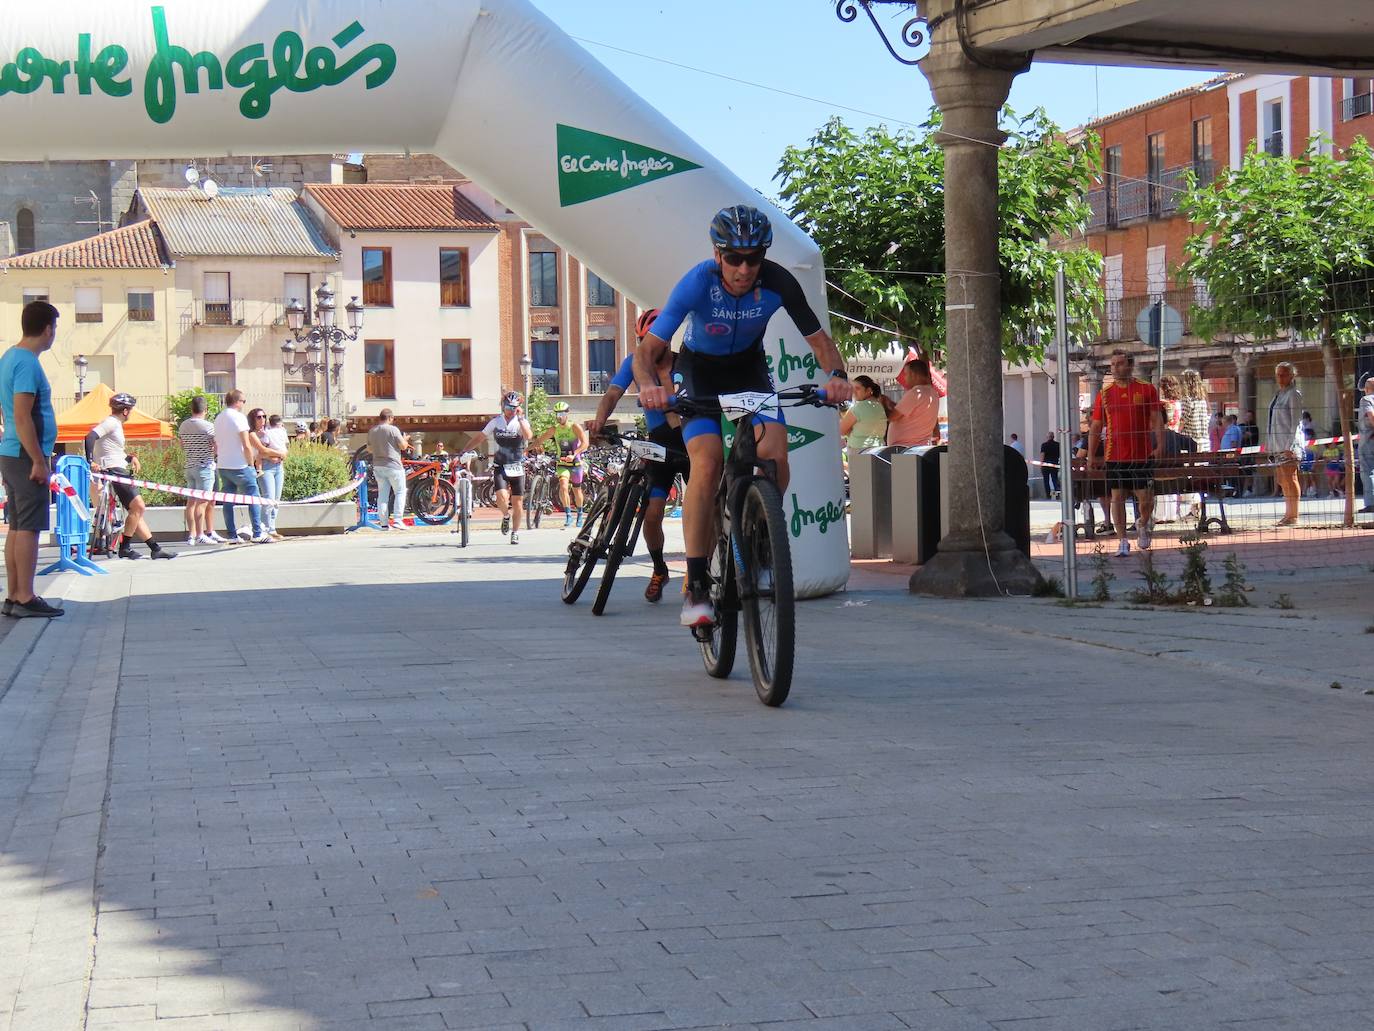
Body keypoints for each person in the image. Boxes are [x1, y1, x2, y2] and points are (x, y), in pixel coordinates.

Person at [636, 204, 850, 628]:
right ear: (718, 255)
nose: (744, 268)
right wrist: (647, 386)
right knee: (707, 460)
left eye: (754, 258)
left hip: (749, 370)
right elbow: (646, 354)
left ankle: (762, 534)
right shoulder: (697, 283)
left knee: (776, 452)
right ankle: (696, 585)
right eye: (734, 257)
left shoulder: (778, 282)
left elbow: (821, 342)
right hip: (699, 373)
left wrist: (838, 376)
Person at [590, 307, 688, 603]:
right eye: (643, 340)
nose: (649, 347)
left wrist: (664, 375)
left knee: (700, 508)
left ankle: (699, 569)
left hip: (690, 440)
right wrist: (598, 421)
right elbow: (612, 394)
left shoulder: (685, 363)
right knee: (653, 511)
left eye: (654, 341)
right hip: (659, 443)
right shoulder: (633, 363)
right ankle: (659, 568)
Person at [0, 301, 64, 618]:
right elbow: (23, 415)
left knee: (17, 526)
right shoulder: (26, 362)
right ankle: (25, 596)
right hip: (26, 455)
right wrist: (39, 460)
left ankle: (13, 596)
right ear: (48, 329)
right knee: (29, 528)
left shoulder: (10, 357)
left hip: (11, 452)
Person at [1083, 350, 1164, 557]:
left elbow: (1156, 419)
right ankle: (1122, 541)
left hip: (1141, 454)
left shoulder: (1146, 389)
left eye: (1119, 364)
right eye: (1112, 364)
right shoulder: (1105, 394)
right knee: (1117, 497)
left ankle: (1143, 524)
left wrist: (1160, 445)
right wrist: (1091, 455)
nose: (1115, 368)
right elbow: (1096, 426)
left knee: (1146, 498)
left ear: (1130, 365)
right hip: (1115, 455)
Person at [86, 392, 175, 561]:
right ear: (125, 411)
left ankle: (155, 548)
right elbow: (90, 436)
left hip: (117, 467)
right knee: (138, 507)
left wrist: (130, 457)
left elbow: (113, 451)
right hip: (114, 471)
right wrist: (90, 461)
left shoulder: (115, 424)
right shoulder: (111, 422)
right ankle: (125, 547)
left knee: (135, 511)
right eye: (131, 410)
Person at [475, 391, 532, 545]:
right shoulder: (496, 422)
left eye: (514, 408)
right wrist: (466, 449)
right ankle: (506, 516)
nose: (510, 410)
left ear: (518, 408)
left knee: (518, 502)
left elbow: (528, 436)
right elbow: (480, 437)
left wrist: (520, 418)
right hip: (500, 464)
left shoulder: (521, 421)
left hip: (517, 465)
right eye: (507, 406)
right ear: (502, 406)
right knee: (501, 497)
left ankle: (515, 532)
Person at [214, 390, 271, 544]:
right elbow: (246, 444)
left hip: (223, 465)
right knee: (254, 497)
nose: (244, 405)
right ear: (238, 401)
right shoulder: (239, 418)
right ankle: (257, 533)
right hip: (239, 465)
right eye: (244, 401)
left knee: (228, 500)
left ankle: (232, 535)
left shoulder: (219, 418)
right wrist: (250, 464)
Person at [532, 400, 589, 528]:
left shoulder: (574, 427)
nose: (559, 416)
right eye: (557, 414)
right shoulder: (554, 429)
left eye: (562, 413)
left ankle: (579, 514)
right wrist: (525, 449)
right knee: (563, 486)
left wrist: (574, 454)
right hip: (562, 463)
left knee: (576, 490)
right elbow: (540, 440)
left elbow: (585, 443)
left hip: (575, 463)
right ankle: (568, 515)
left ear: (567, 414)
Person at [178, 393, 222, 545]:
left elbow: (182, 445)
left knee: (191, 502)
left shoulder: (183, 425)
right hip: (205, 466)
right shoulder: (209, 427)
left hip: (190, 466)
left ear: (192, 408)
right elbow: (217, 448)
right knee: (202, 502)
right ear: (206, 409)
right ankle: (200, 534)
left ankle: (191, 535)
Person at [1266, 362, 1304, 527]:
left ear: (1292, 376)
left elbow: (1296, 422)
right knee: (1282, 479)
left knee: (1291, 477)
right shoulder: (1278, 394)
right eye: (1278, 374)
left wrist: (1290, 446)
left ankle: (1294, 515)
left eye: (1284, 374)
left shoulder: (1294, 394)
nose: (1280, 378)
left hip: (1289, 445)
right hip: (1277, 445)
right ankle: (1287, 514)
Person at [367, 409, 410, 529]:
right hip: (393, 465)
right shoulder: (393, 430)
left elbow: (369, 449)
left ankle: (384, 523)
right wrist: (405, 440)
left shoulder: (372, 431)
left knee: (382, 495)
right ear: (390, 418)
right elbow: (403, 446)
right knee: (400, 492)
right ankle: (397, 520)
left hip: (378, 465)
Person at [884, 358, 941, 449]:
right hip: (920, 446)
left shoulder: (915, 393)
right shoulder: (933, 393)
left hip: (905, 449)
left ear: (913, 374)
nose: (905, 378)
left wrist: (884, 403)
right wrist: (891, 403)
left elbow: (893, 417)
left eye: (906, 374)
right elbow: (907, 412)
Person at [255, 412, 290, 540]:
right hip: (267, 467)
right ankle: (265, 528)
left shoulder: (280, 433)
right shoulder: (266, 434)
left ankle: (272, 528)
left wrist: (279, 457)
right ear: (279, 423)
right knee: (269, 498)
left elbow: (285, 450)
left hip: (279, 467)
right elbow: (260, 454)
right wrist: (273, 456)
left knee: (276, 499)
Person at [838, 375, 888, 454]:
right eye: (853, 388)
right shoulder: (879, 406)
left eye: (857, 388)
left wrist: (851, 432)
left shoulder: (858, 407)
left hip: (859, 450)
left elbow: (841, 430)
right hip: (879, 449)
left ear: (868, 390)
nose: (854, 392)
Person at [1357, 376, 1374, 514]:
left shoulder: (1366, 400)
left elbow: (1371, 415)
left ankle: (1371, 503)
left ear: (1367, 389)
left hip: (1369, 439)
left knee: (1368, 471)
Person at [1038, 431, 1061, 499]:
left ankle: (1049, 495)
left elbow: (1042, 455)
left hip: (1046, 465)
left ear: (1047, 437)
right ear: (1053, 437)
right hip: (1054, 464)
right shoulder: (1057, 445)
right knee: (1054, 480)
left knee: (1046, 481)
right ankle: (1056, 495)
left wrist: (1041, 465)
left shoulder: (1044, 445)